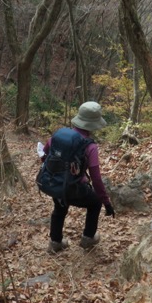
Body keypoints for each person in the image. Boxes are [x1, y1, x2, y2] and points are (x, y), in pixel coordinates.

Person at [43, 101, 115, 253]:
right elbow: (96, 179)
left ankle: (55, 242)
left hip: (55, 183)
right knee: (95, 203)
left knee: (59, 207)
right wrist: (106, 203)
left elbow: (45, 153)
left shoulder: (59, 135)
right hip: (74, 188)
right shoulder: (90, 147)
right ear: (93, 124)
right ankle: (88, 238)